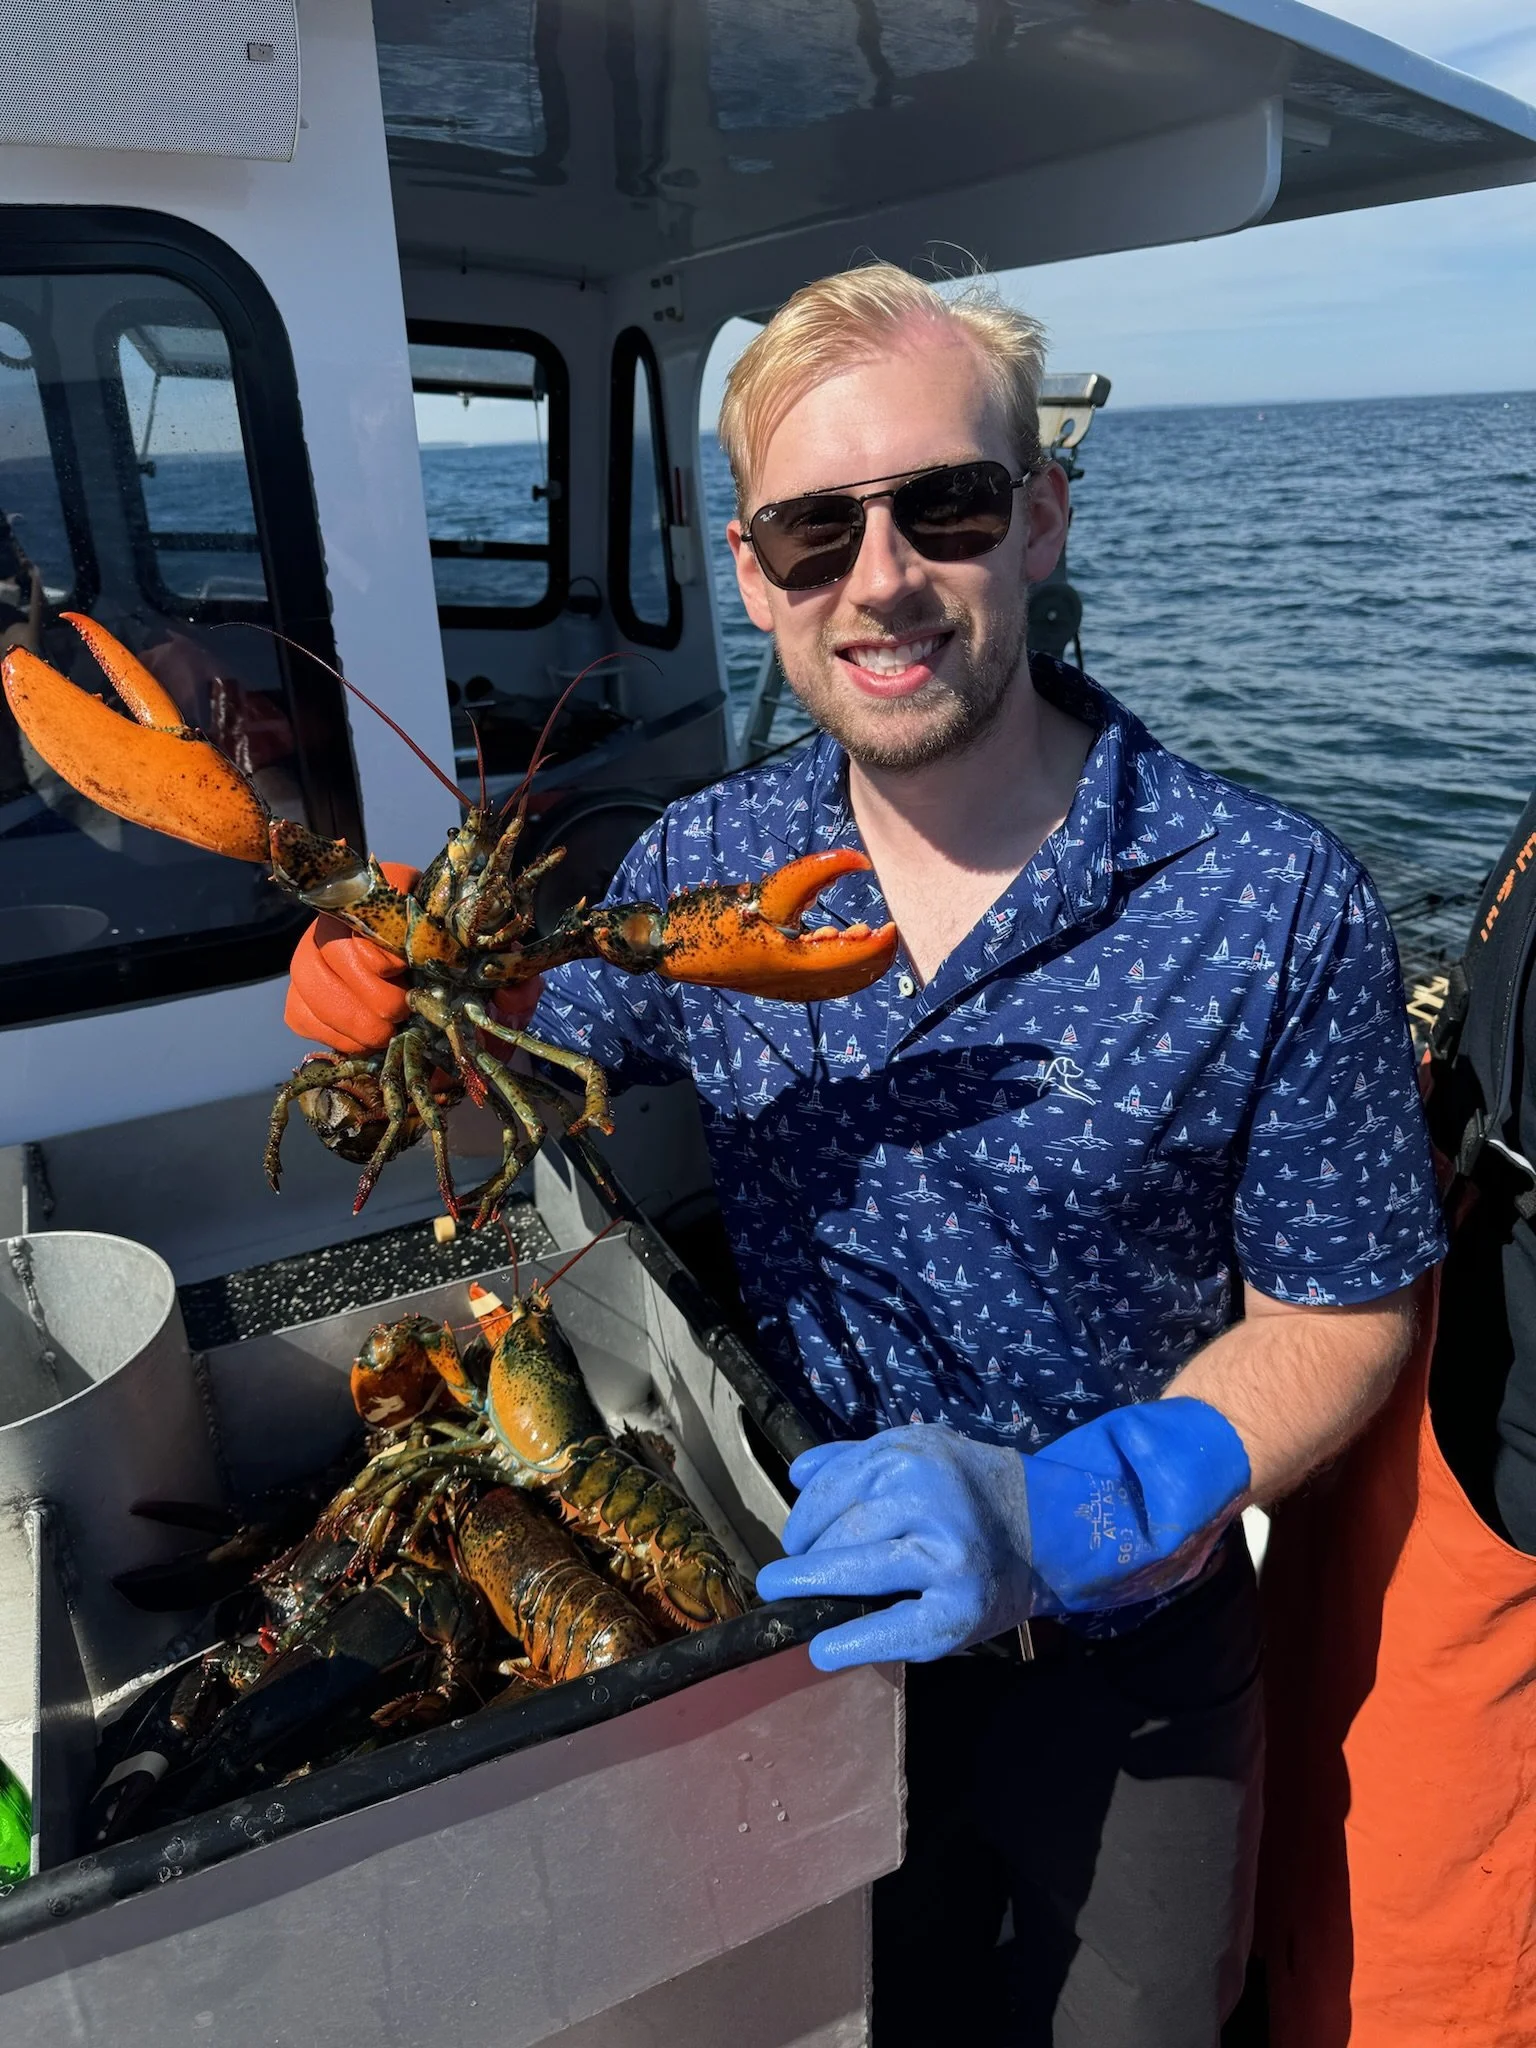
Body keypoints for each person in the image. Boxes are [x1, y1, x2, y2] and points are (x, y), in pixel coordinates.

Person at [288, 264, 1445, 2046]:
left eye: (946, 505)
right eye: (815, 532)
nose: (883, 579)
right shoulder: (700, 858)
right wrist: (389, 1018)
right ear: (751, 577)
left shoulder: (1271, 898)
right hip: (783, 1645)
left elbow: (1348, 1310)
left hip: (1127, 1675)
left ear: (1041, 518)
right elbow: (515, 1072)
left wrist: (1077, 1513)